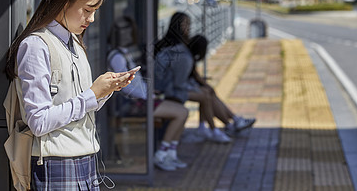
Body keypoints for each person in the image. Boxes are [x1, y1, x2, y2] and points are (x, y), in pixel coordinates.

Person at [5, 0, 139, 190]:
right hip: (55, 163)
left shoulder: (74, 41)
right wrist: (92, 94)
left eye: (95, 11)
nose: (92, 19)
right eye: (87, 10)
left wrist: (104, 91)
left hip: (84, 159)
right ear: (64, 0)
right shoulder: (36, 45)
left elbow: (80, 105)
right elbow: (38, 121)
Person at [107, 15, 189, 171]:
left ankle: (170, 154)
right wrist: (148, 96)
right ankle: (162, 154)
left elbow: (135, 81)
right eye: (120, 30)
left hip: (139, 98)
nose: (124, 34)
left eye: (128, 30)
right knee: (181, 113)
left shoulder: (124, 52)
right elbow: (126, 86)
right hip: (131, 103)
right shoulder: (117, 56)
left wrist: (150, 92)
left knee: (182, 111)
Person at [154, 12, 231, 143]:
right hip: (169, 90)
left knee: (206, 92)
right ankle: (216, 129)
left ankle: (223, 124)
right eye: (186, 24)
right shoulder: (178, 50)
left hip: (172, 86)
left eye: (189, 24)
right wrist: (195, 87)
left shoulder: (175, 46)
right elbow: (178, 81)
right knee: (205, 95)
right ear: (176, 25)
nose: (188, 28)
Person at [188, 35, 256, 138]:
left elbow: (194, 76)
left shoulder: (187, 57)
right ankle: (223, 126)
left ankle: (232, 122)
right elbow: (195, 76)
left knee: (208, 92)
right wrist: (206, 85)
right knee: (207, 94)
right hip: (178, 90)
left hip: (184, 87)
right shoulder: (187, 59)